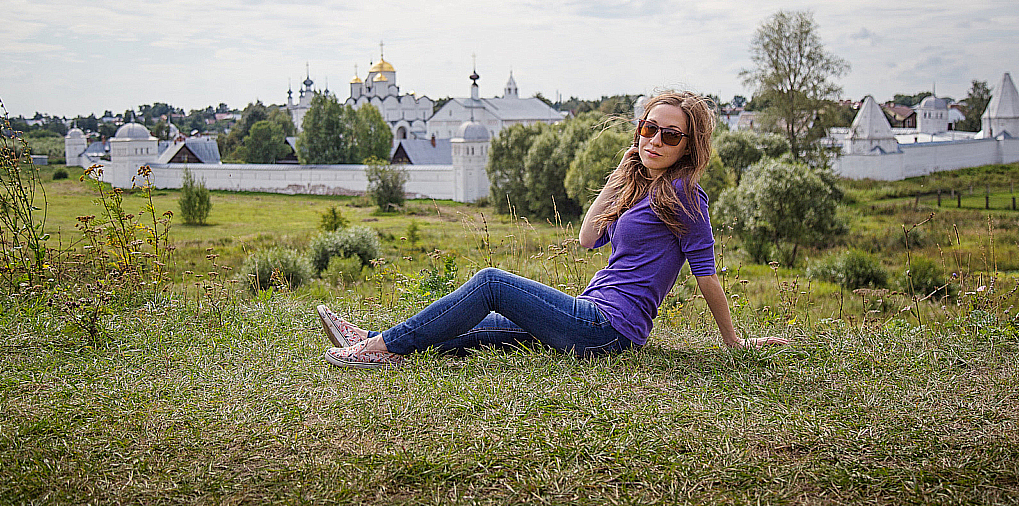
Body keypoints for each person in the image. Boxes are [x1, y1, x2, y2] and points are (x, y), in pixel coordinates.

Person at [319, 90, 788, 369]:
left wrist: (734, 343)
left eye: (670, 135)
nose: (654, 140)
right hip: (590, 315)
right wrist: (624, 173)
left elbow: (706, 275)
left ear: (689, 146)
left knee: (490, 284)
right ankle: (378, 343)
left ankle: (375, 348)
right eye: (648, 129)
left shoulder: (686, 194)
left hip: (609, 328)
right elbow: (587, 239)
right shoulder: (645, 189)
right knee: (482, 328)